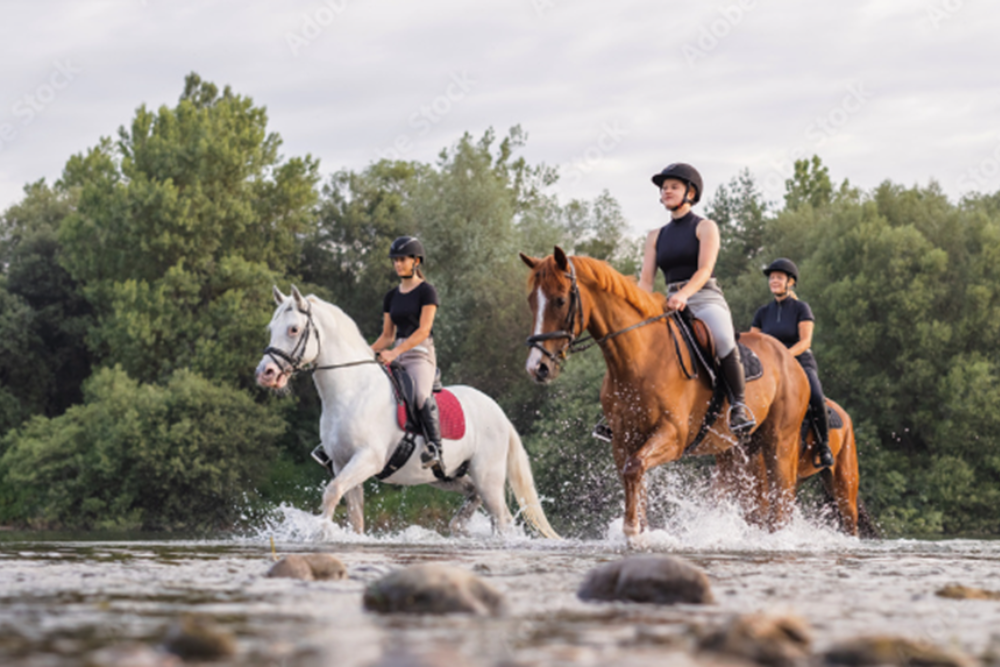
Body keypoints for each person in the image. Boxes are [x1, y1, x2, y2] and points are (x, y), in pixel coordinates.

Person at [639, 163, 755, 435]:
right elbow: (645, 280)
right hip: (668, 302)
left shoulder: (705, 227)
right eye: (664, 187)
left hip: (704, 298)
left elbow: (704, 270)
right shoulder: (655, 236)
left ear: (690, 192)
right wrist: (639, 308)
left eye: (673, 187)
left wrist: (684, 294)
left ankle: (738, 407)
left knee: (725, 339)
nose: (667, 191)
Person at [750, 258, 835, 468]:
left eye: (779, 277)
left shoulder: (801, 308)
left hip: (799, 362)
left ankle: (824, 446)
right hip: (771, 368)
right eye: (772, 278)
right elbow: (754, 342)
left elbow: (805, 341)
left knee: (815, 395)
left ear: (791, 282)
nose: (774, 281)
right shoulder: (762, 313)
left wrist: (783, 357)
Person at [371, 236, 444, 469]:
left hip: (420, 354)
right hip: (396, 353)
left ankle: (435, 448)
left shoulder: (427, 292)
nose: (398, 264)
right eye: (395, 260)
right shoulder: (390, 297)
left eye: (402, 260)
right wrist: (363, 353)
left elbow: (424, 330)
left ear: (416, 261)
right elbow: (387, 337)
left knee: (421, 395)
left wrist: (395, 352)